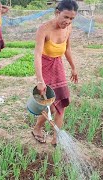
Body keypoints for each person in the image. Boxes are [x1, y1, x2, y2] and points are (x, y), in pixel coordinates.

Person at [32, 0, 79, 147]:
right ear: (57, 12)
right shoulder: (44, 29)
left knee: (62, 104)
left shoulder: (69, 28)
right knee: (50, 106)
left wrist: (73, 67)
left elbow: (67, 49)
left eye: (71, 18)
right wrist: (40, 80)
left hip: (58, 67)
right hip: (45, 67)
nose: (68, 21)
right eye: (65, 17)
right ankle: (37, 128)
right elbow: (37, 55)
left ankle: (56, 137)